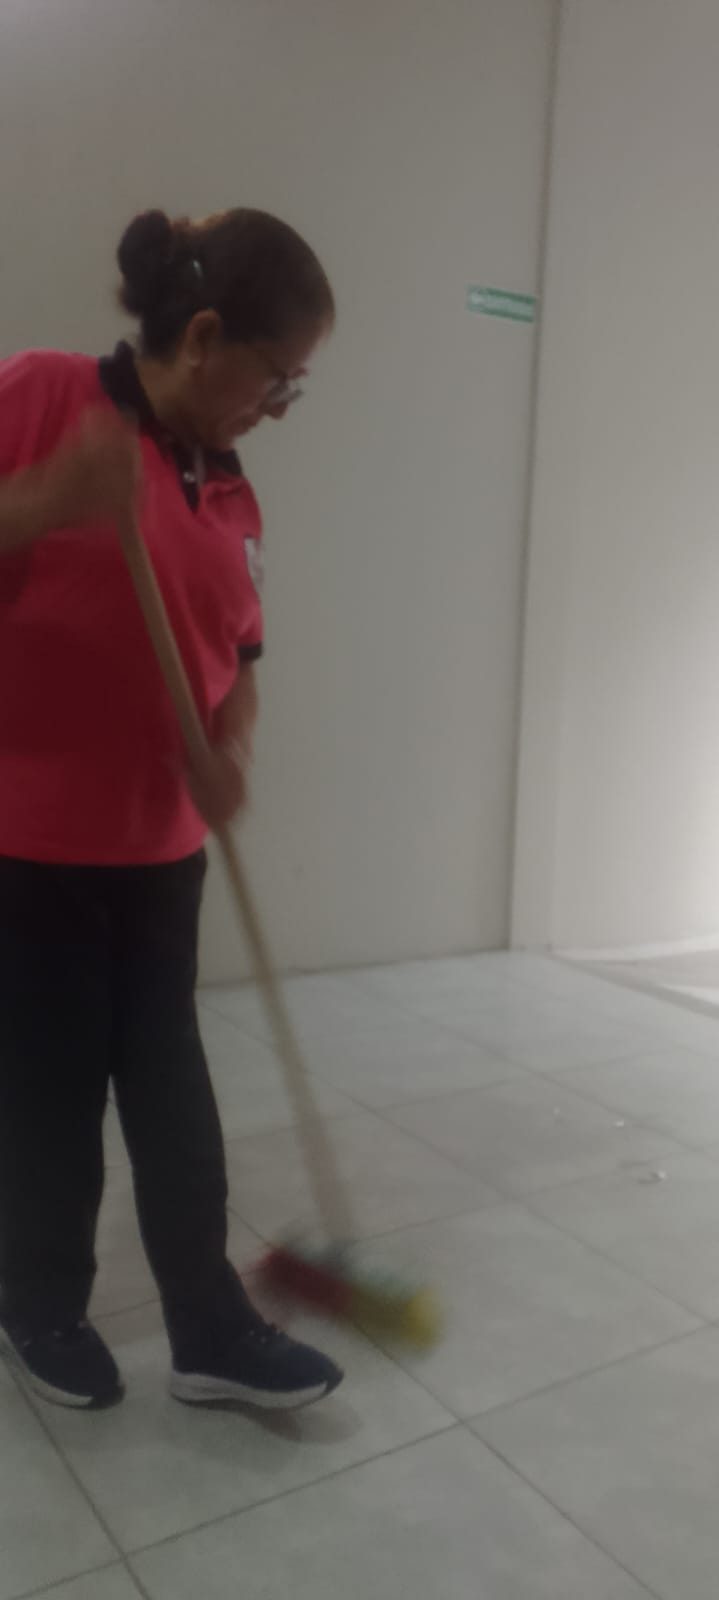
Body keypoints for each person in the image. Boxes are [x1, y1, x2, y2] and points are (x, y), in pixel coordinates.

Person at [0, 207, 343, 1411]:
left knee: (171, 1094)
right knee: (48, 1095)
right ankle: (39, 1305)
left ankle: (207, 1325)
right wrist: (47, 498)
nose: (279, 406)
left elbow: (238, 659)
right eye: (276, 377)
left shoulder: (233, 493)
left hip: (161, 850)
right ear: (203, 337)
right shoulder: (43, 395)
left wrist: (229, 747)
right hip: (29, 846)